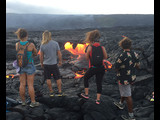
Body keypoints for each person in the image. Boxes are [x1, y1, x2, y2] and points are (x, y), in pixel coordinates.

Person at [114, 36, 140, 120]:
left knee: (128, 95)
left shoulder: (122, 55)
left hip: (123, 78)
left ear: (122, 46)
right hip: (132, 77)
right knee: (125, 91)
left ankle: (131, 116)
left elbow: (116, 67)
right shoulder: (135, 54)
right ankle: (121, 103)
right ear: (130, 45)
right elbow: (138, 66)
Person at [79, 30, 108, 104]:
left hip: (93, 67)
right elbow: (105, 57)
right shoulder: (102, 47)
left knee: (85, 78)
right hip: (101, 68)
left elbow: (87, 58)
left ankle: (86, 94)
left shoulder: (90, 47)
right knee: (99, 83)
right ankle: (98, 100)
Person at [15, 28, 40, 107]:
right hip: (29, 65)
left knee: (22, 84)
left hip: (21, 65)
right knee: (30, 85)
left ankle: (23, 102)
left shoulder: (17, 44)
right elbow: (36, 54)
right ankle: (33, 102)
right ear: (26, 35)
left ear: (19, 36)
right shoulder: (31, 44)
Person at [40, 30, 63, 97]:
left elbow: (41, 56)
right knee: (58, 78)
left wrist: (41, 63)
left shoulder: (42, 45)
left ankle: (51, 92)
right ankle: (60, 91)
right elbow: (59, 53)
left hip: (46, 64)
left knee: (48, 78)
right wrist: (60, 61)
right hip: (54, 64)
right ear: (50, 36)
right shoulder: (55, 43)